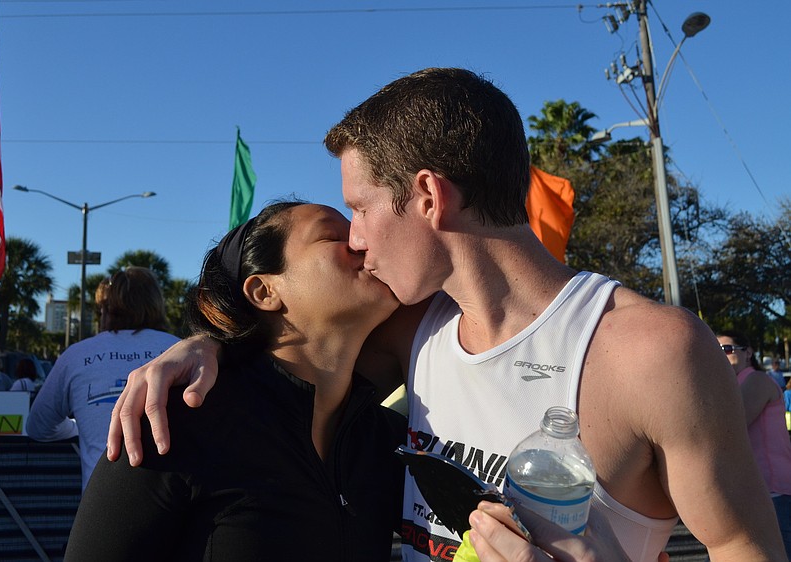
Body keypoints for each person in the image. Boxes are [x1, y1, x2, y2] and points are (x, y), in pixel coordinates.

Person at [108, 68, 785, 561]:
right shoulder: (414, 330)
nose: (359, 239)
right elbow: (294, 348)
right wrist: (203, 345)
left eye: (362, 208)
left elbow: (744, 549)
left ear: (428, 195)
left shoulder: (647, 351)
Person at [65, 202, 406, 562]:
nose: (362, 241)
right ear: (264, 291)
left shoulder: (390, 442)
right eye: (332, 235)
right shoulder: (174, 425)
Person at [26, 266, 180, 490]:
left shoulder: (77, 355)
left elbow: (38, 426)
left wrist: (79, 427)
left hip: (102, 504)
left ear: (107, 310)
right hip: (180, 503)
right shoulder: (179, 349)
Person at [717, 330, 791, 559]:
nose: (721, 355)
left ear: (748, 352)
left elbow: (731, 424)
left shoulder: (757, 379)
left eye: (727, 349)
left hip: (771, 491)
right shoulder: (728, 385)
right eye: (714, 351)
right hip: (745, 492)